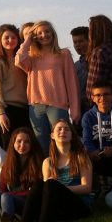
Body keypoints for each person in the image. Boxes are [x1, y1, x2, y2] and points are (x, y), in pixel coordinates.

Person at [13, 119, 93, 222]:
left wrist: (59, 188)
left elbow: (87, 187)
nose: (63, 131)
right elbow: (46, 193)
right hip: (57, 208)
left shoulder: (81, 157)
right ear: (52, 135)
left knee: (50, 184)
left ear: (72, 135)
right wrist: (55, 188)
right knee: (40, 184)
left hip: (79, 206)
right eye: (59, 129)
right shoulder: (48, 162)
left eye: (67, 129)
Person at [16, 20, 80, 152]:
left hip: (57, 106)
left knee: (62, 144)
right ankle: (48, 172)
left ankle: (65, 171)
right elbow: (18, 60)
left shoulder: (63, 54)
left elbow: (72, 83)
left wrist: (75, 110)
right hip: (35, 107)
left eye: (47, 31)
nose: (44, 35)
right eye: (39, 33)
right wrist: (28, 40)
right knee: (43, 146)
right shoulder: (32, 56)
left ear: (53, 33)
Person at [0, 24, 30, 149]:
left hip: (24, 109)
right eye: (6, 37)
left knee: (23, 148)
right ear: (0, 40)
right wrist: (0, 112)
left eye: (13, 37)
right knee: (8, 147)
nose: (10, 40)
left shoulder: (23, 59)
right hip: (7, 109)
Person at [70, 25, 91, 126]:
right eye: (75, 42)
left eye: (81, 41)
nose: (77, 45)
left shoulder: (96, 61)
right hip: (79, 111)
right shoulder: (75, 65)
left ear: (89, 41)